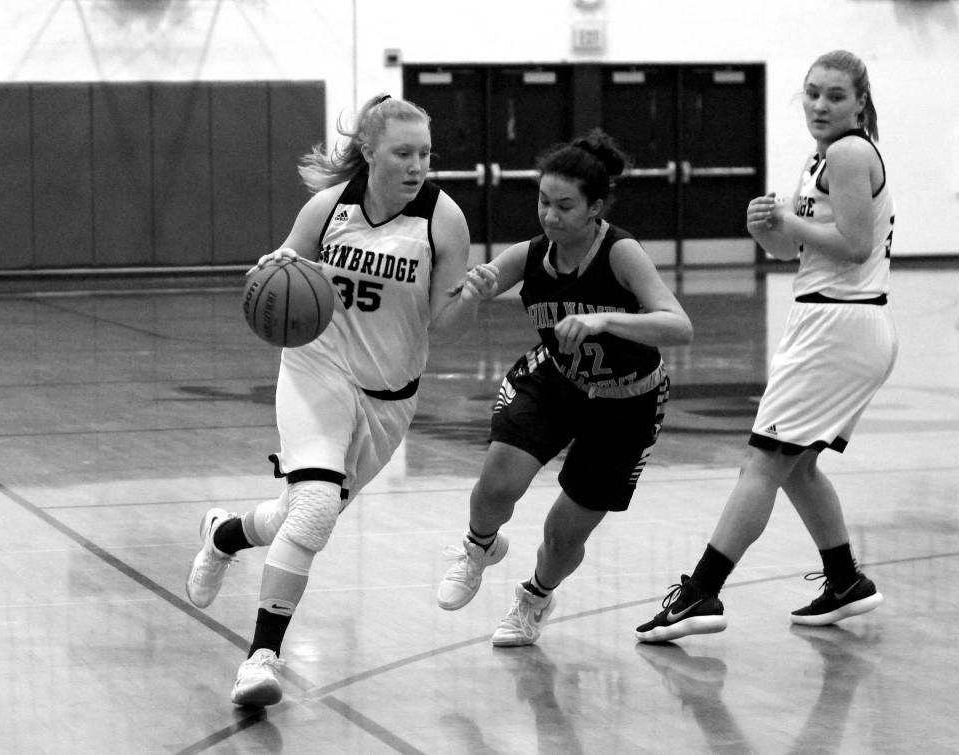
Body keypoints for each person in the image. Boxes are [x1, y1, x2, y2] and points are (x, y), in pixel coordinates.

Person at [184, 93, 495, 706]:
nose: (416, 166)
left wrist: (472, 301)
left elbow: (442, 327)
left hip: (389, 397)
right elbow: (279, 275)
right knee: (316, 509)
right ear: (370, 154)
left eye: (425, 154)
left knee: (298, 514)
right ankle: (260, 660)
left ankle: (223, 536)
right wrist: (271, 269)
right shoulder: (329, 207)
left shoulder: (443, 219)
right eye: (403, 153)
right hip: (315, 370)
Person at [635, 49, 897, 643]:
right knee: (797, 465)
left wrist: (788, 219)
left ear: (860, 101)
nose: (820, 104)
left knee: (764, 461)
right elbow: (803, 252)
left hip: (840, 325)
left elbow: (855, 245)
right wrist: (769, 232)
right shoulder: (821, 158)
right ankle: (844, 580)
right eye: (811, 93)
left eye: (834, 95)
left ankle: (701, 592)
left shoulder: (851, 152)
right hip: (834, 321)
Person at [435, 128, 694, 646]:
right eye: (543, 202)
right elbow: (449, 325)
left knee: (562, 533)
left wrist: (605, 321)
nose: (550, 216)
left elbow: (679, 326)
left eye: (565, 206)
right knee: (496, 485)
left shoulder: (621, 253)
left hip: (629, 399)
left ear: (596, 207)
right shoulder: (530, 255)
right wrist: (472, 293)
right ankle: (478, 546)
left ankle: (534, 598)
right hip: (557, 380)